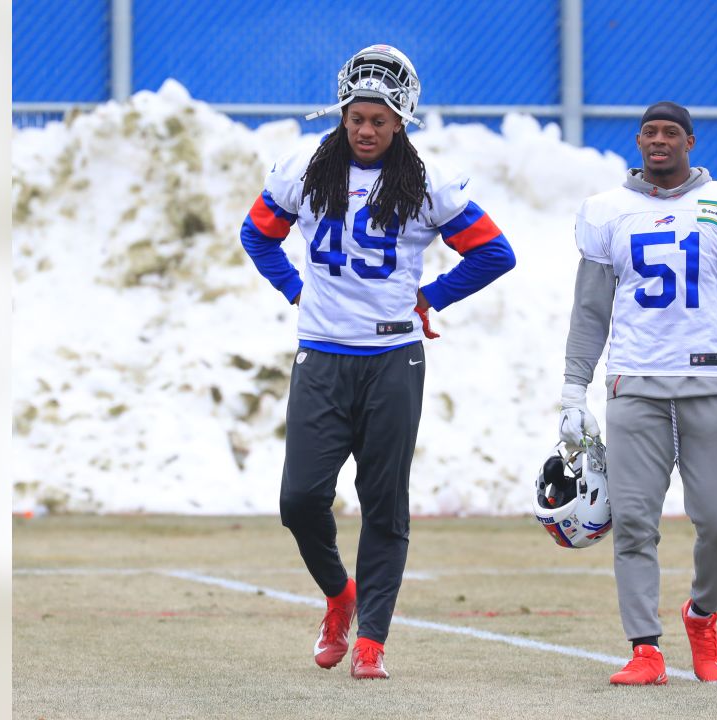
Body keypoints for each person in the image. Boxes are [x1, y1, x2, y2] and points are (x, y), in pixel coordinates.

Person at [239, 44, 515, 680]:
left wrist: (431, 297)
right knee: (300, 499)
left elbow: (494, 253)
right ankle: (341, 597)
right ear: (342, 114)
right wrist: (294, 288)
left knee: (384, 502)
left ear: (401, 122)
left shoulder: (424, 181)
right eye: (357, 118)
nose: (366, 131)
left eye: (379, 121)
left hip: (393, 358)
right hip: (323, 355)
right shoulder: (304, 168)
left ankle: (373, 642)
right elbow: (258, 232)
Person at [557, 101, 717, 685]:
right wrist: (574, 389)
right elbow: (590, 310)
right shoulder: (608, 212)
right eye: (648, 131)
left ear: (690, 142)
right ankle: (645, 649)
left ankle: (702, 615)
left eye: (669, 132)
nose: (658, 140)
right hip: (634, 383)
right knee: (632, 522)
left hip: (708, 381)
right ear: (638, 141)